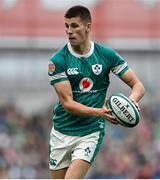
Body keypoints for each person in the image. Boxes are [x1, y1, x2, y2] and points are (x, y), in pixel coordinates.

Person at [48, 5, 145, 179]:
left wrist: (131, 102)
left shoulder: (106, 55)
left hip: (90, 132)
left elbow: (138, 85)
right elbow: (68, 104)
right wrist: (99, 112)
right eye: (66, 26)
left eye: (74, 25)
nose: (69, 31)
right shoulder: (58, 61)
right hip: (61, 132)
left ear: (88, 26)